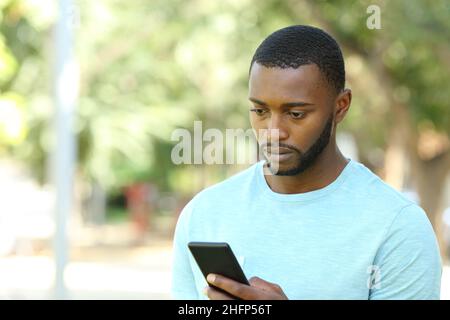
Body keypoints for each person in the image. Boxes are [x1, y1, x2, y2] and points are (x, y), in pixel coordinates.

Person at [171, 25, 442, 300]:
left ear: (341, 106)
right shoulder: (204, 215)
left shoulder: (398, 227)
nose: (273, 131)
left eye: (296, 113)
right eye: (260, 111)